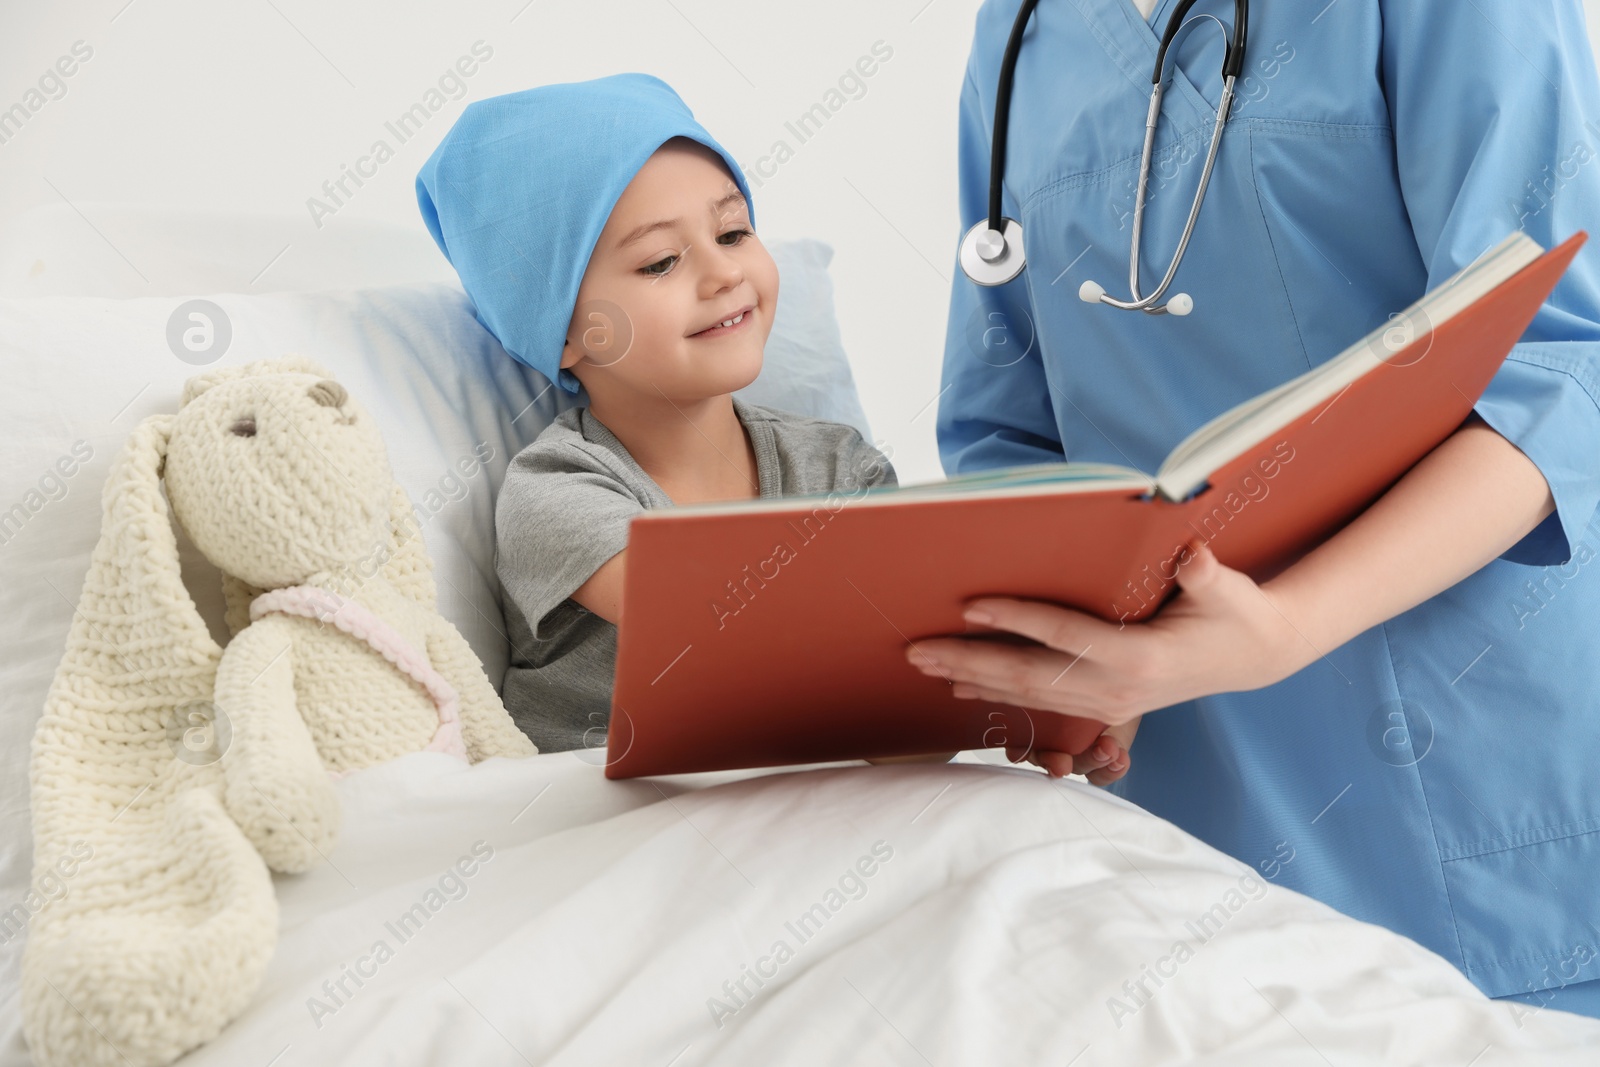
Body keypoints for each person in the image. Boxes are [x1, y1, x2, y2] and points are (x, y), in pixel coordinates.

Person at [908, 0, 1600, 1018]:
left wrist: (1290, 625)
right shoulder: (1020, 31)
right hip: (1185, 788)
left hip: (1468, 757)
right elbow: (1004, 421)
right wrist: (1067, 662)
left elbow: (1557, 365)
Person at [416, 74, 896, 754]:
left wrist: (1036, 709)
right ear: (561, 332)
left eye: (733, 232)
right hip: (630, 827)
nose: (724, 273)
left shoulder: (840, 464)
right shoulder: (556, 492)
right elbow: (728, 627)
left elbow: (902, 716)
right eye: (662, 261)